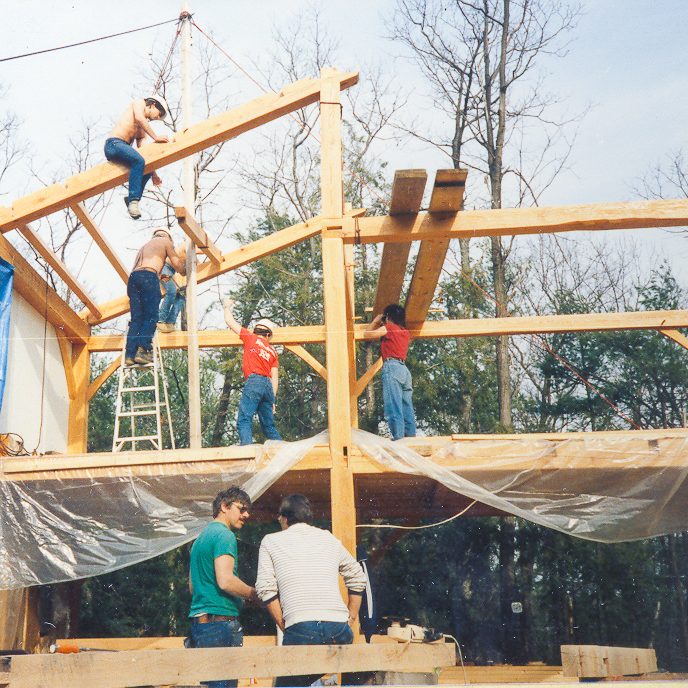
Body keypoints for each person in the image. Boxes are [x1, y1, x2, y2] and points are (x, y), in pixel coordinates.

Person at [255, 494, 367, 688]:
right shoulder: (329, 538)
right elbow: (357, 575)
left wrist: (285, 625)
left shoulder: (270, 541)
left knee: (287, 684)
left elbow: (265, 588)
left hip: (300, 628)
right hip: (339, 629)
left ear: (285, 518)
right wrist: (351, 618)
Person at [188, 486, 258, 688]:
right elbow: (226, 581)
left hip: (200, 624)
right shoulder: (224, 536)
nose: (246, 515)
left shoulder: (200, 539)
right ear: (224, 507)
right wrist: (254, 595)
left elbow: (193, 587)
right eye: (241, 508)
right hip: (221, 624)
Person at [223, 298, 281, 445]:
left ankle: (246, 451)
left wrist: (226, 307)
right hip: (267, 386)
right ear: (268, 335)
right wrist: (272, 399)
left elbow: (230, 322)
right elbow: (274, 378)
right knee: (268, 426)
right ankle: (281, 450)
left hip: (254, 381)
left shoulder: (251, 338)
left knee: (244, 419)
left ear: (256, 331)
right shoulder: (273, 351)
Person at [125, 229, 185, 366]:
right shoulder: (165, 242)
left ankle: (130, 355)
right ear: (168, 236)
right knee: (152, 316)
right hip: (148, 276)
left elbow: (156, 272)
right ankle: (143, 350)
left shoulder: (145, 247)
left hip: (134, 279)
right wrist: (185, 270)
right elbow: (176, 264)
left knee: (137, 319)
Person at [104, 95, 170, 219]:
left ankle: (131, 199)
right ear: (153, 105)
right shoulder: (139, 103)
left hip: (122, 149)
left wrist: (154, 173)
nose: (157, 118)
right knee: (138, 161)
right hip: (113, 144)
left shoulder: (141, 128)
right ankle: (134, 200)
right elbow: (140, 118)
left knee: (146, 168)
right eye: (159, 114)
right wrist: (155, 137)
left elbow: (142, 151)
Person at [364, 303, 417, 440]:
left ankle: (399, 439)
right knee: (407, 406)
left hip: (392, 367)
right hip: (404, 370)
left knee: (393, 406)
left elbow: (367, 335)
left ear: (387, 317)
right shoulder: (406, 333)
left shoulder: (388, 328)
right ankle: (410, 437)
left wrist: (376, 321)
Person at [157, 261, 185, 333]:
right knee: (171, 291)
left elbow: (198, 264)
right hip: (163, 273)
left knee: (182, 295)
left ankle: (170, 322)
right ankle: (160, 319)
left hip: (170, 273)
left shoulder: (190, 256)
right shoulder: (183, 249)